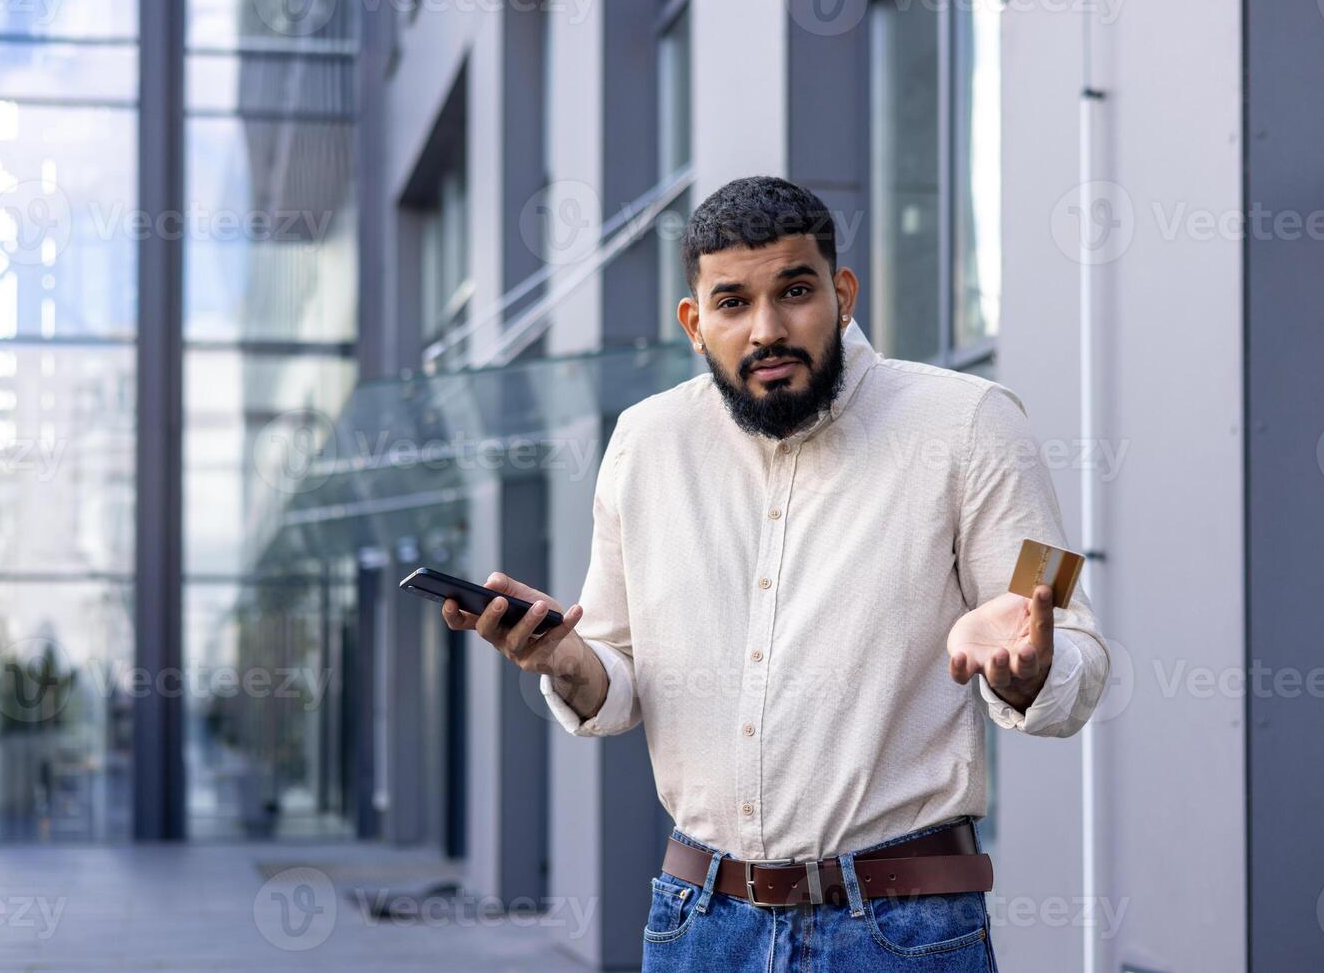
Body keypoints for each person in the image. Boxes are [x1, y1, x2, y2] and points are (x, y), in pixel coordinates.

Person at [438, 176, 1111, 971]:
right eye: (731, 303)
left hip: (899, 931)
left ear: (842, 292)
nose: (767, 329)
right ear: (694, 322)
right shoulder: (644, 444)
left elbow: (1074, 645)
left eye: (795, 291)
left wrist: (1028, 669)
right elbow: (616, 680)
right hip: (698, 926)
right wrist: (560, 657)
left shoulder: (974, 422)